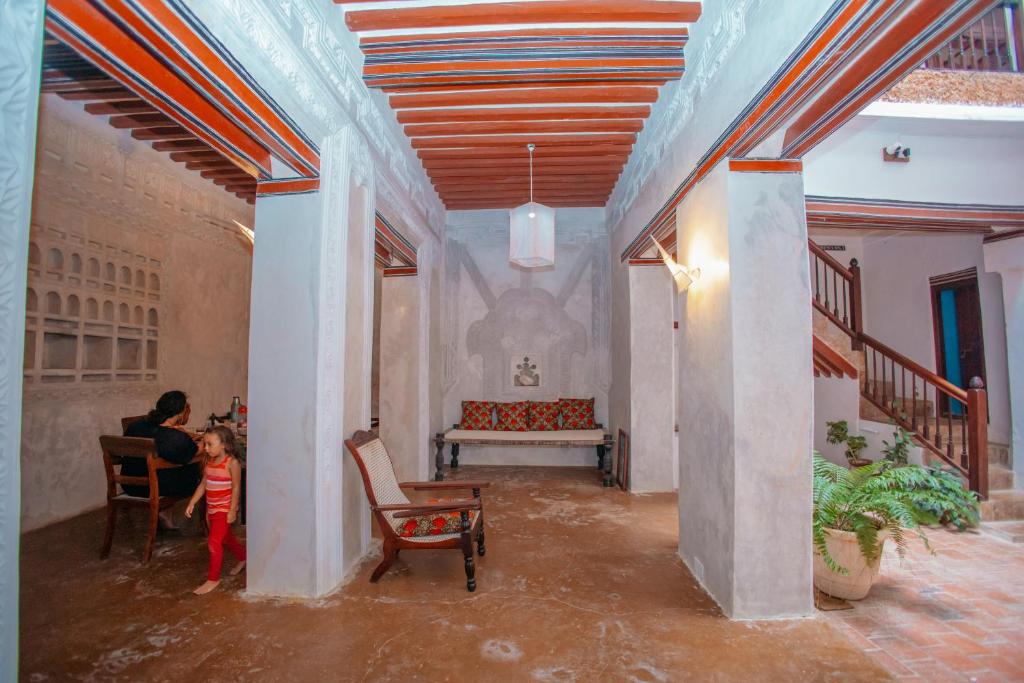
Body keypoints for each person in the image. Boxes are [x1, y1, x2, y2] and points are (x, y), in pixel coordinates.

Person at [123, 390, 202, 528]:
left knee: (167, 464)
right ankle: (209, 520)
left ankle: (165, 514)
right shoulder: (173, 438)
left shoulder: (136, 426)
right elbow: (195, 451)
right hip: (157, 487)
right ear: (180, 412)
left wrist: (178, 432)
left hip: (130, 485)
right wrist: (205, 441)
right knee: (199, 470)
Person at [185, 425, 246, 595]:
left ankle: (213, 579)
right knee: (226, 538)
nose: (205, 448)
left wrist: (232, 510)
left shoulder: (232, 463)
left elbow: (235, 488)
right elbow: (204, 484)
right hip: (210, 509)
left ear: (224, 445)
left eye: (210, 444)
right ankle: (243, 557)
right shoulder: (209, 462)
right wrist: (192, 502)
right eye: (205, 444)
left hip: (224, 509)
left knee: (214, 542)